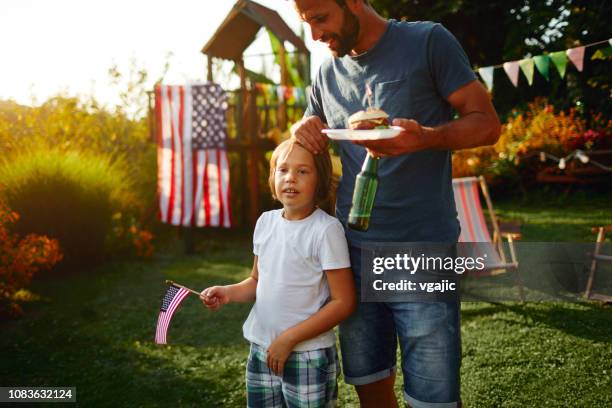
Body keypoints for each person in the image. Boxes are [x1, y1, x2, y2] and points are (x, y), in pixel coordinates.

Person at [291, 1, 501, 407]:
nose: (315, 35)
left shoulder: (427, 41)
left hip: (422, 248)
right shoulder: (326, 73)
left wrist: (425, 137)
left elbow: (487, 124)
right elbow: (310, 136)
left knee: (433, 396)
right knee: (370, 383)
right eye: (307, 24)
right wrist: (301, 127)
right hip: (350, 255)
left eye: (321, 19)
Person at [200, 139, 356, 407]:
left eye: (303, 171)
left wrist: (289, 339)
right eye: (282, 170)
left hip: (307, 354)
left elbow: (344, 302)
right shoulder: (265, 222)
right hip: (262, 350)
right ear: (272, 178)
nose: (290, 178)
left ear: (320, 180)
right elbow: (256, 281)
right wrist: (227, 293)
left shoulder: (326, 230)